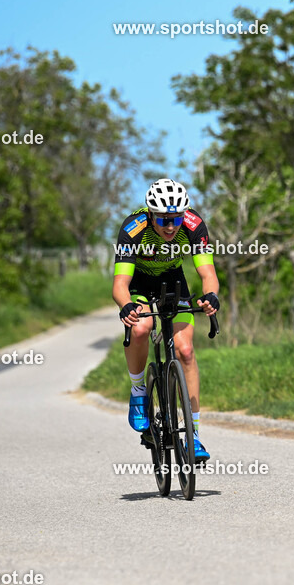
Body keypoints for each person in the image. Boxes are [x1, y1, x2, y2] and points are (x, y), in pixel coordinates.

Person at [112, 178, 219, 460]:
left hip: (173, 281)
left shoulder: (194, 225)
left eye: (175, 219)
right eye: (163, 220)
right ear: (150, 214)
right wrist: (126, 306)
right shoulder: (132, 228)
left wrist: (211, 297)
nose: (171, 226)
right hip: (139, 283)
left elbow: (208, 275)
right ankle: (138, 391)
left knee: (185, 351)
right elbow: (120, 284)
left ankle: (193, 436)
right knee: (141, 328)